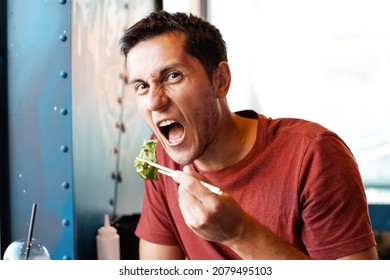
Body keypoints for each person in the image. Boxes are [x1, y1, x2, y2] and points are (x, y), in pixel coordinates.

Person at [120, 10, 378, 260]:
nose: (155, 102)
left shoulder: (313, 154)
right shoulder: (160, 156)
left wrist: (239, 233)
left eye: (173, 76)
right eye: (142, 86)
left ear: (220, 80)